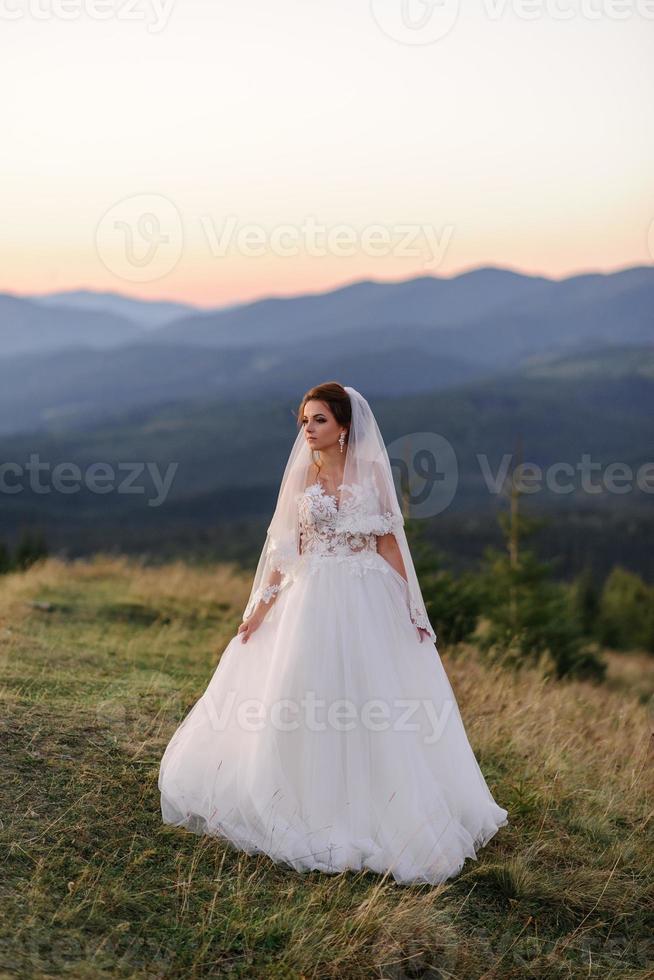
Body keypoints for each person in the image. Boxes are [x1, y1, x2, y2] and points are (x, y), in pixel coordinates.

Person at [158, 382, 508, 885]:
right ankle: (297, 796)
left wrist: (413, 605)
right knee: (304, 692)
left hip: (368, 597)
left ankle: (378, 803)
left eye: (318, 420)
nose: (308, 429)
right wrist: (260, 607)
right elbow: (285, 549)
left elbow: (390, 543)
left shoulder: (373, 475)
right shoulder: (303, 476)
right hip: (312, 597)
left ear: (344, 426)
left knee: (373, 697)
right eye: (304, 420)